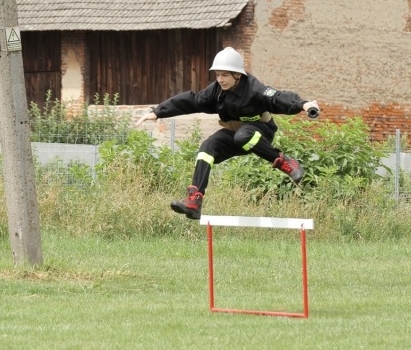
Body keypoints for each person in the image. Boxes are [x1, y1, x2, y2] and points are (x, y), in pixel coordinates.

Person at [135, 46, 319, 220]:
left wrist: (305, 104)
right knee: (207, 147)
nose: (220, 79)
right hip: (235, 133)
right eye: (217, 75)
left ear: (237, 75)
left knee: (243, 136)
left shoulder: (255, 89)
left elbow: (279, 97)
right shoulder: (215, 90)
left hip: (260, 133)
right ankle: (194, 200)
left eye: (225, 75)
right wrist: (158, 111)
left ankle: (285, 162)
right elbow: (191, 100)